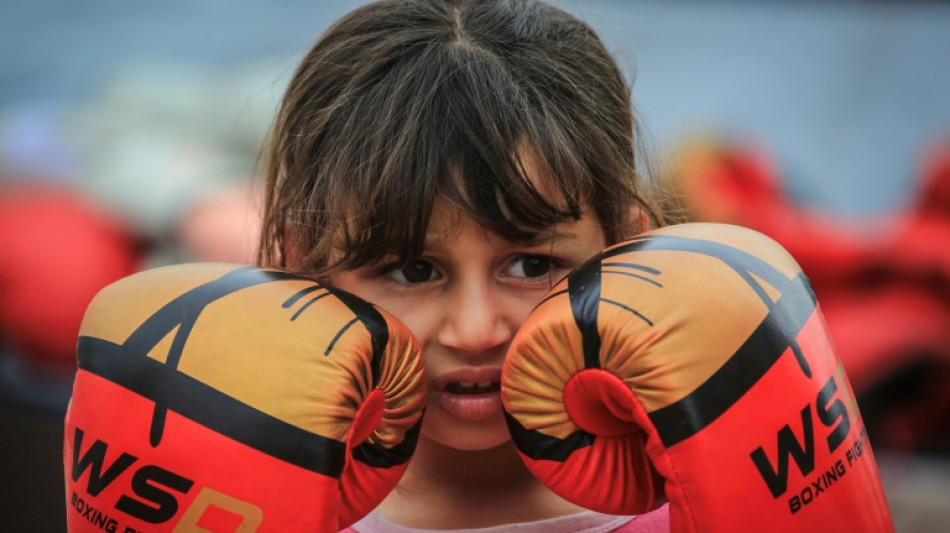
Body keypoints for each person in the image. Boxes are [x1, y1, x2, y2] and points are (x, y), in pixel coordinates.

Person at [257, 0, 672, 530]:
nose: (476, 332)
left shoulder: (703, 492)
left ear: (629, 252)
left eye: (530, 264)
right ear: (303, 270)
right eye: (412, 270)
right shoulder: (245, 503)